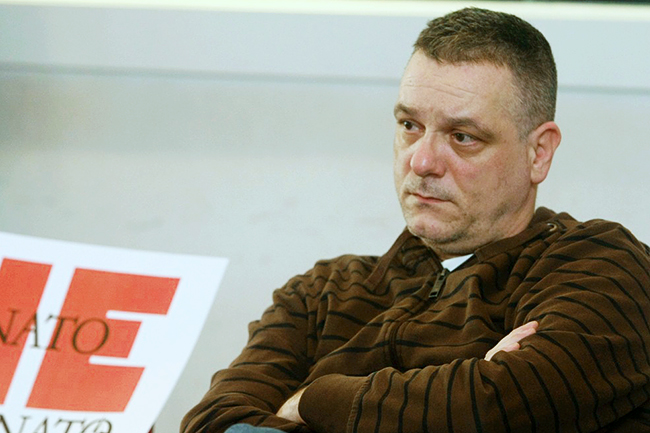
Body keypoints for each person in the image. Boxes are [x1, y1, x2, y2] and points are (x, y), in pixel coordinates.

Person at [181, 7, 650, 433]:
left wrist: (311, 401)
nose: (422, 162)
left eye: (462, 136)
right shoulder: (320, 296)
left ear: (538, 153)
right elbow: (215, 423)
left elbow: (494, 409)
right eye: (410, 126)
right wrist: (448, 399)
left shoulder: (602, 268)